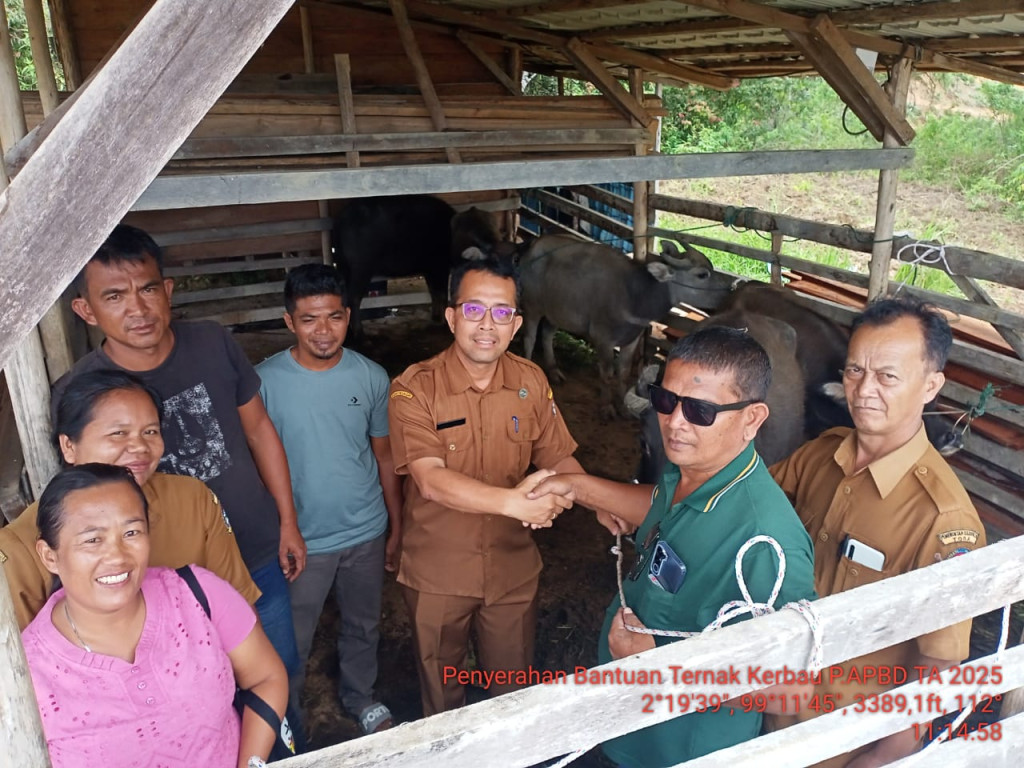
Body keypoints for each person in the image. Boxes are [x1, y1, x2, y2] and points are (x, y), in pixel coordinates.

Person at [529, 326, 817, 767]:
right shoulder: (690, 474)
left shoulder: (766, 544)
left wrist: (656, 669)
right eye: (665, 401)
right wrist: (576, 486)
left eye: (700, 410)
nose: (675, 422)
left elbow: (788, 693)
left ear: (752, 419)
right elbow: (658, 506)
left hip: (678, 749)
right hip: (624, 723)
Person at [54, 223, 304, 679]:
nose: (138, 308)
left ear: (167, 290)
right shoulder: (79, 393)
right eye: (114, 296)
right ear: (85, 310)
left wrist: (286, 520)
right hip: (161, 578)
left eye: (148, 288)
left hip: (255, 550)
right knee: (198, 688)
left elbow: (259, 430)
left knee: (277, 675)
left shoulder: (213, 342)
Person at [766, 297, 987, 767]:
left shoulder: (944, 522)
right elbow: (744, 509)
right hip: (767, 715)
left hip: (841, 745)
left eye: (888, 376)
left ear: (930, 386)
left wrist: (883, 757)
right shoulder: (818, 457)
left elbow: (939, 667)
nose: (865, 389)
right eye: (854, 371)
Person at [387, 256, 582, 716]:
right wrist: (517, 504)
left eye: (501, 313)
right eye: (474, 310)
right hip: (438, 573)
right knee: (442, 692)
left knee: (511, 692)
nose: (486, 325)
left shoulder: (531, 381)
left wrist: (597, 500)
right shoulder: (413, 389)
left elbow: (559, 458)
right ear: (451, 316)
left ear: (516, 324)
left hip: (512, 569)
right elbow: (431, 480)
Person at [21, 463, 288, 768]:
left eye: (131, 532)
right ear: (49, 556)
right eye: (93, 540)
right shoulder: (24, 674)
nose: (117, 556)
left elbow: (266, 678)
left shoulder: (198, 594)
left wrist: (250, 765)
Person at [257, 264, 402, 735]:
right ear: (288, 322)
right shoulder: (262, 384)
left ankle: (361, 697)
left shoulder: (372, 377)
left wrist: (395, 527)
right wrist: (281, 527)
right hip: (302, 538)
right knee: (291, 635)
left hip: (365, 529)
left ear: (348, 315)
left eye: (334, 318)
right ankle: (287, 715)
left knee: (363, 624)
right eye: (309, 320)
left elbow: (383, 457)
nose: (323, 331)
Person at [1, 369, 259, 630]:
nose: (139, 447)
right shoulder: (20, 547)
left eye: (150, 432)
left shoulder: (192, 499)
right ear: (69, 446)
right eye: (118, 433)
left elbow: (237, 610)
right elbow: (22, 660)